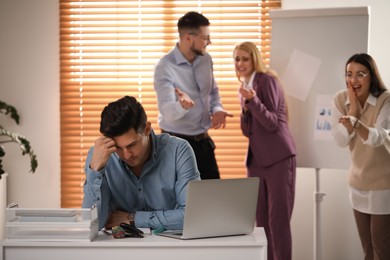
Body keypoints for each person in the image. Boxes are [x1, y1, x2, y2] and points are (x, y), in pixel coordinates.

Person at [82, 96, 200, 231]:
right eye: (118, 148)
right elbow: (91, 226)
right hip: (120, 247)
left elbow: (191, 216)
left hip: (169, 246)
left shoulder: (178, 150)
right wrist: (96, 170)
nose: (127, 155)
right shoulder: (98, 156)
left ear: (147, 129)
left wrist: (132, 218)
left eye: (132, 144)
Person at [233, 42, 296, 260]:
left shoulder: (267, 81)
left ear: (255, 60)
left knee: (278, 223)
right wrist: (245, 108)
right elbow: (247, 130)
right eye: (236, 59)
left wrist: (253, 100)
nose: (240, 63)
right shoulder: (245, 87)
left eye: (244, 58)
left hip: (279, 157)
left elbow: (271, 124)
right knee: (260, 225)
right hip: (257, 160)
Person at [153, 11, 233, 180]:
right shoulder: (165, 66)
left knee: (214, 196)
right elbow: (167, 110)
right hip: (175, 144)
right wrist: (181, 106)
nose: (209, 42)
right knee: (181, 199)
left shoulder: (206, 59)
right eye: (205, 38)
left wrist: (217, 108)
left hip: (202, 142)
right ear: (188, 37)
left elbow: (213, 91)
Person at [331, 53, 390, 260]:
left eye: (360, 74)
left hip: (383, 184)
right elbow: (340, 140)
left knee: (381, 247)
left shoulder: (385, 99)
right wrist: (353, 113)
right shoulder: (341, 99)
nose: (353, 81)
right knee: (367, 250)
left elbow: (378, 137)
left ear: (371, 77)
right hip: (358, 183)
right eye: (349, 74)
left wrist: (354, 122)